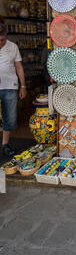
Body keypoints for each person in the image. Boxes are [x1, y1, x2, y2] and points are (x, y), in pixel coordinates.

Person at [0, 23, 26, 157]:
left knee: (9, 117)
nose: (0, 43)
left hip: (10, 86)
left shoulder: (13, 47)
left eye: (2, 40)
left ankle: (5, 144)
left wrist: (23, 86)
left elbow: (19, 67)